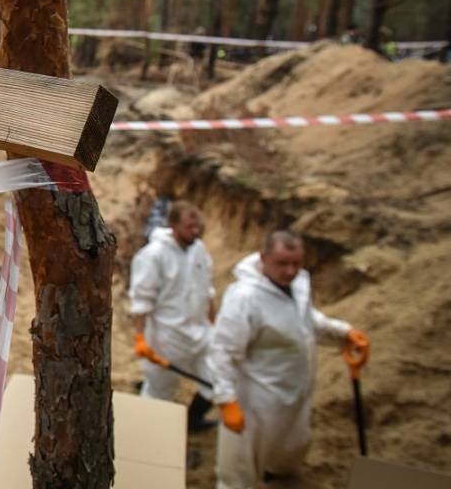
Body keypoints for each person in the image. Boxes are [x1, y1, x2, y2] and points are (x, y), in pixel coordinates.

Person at [208, 231, 369, 488]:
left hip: (293, 389)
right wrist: (227, 400)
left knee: (290, 445)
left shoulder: (298, 283)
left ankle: (278, 474)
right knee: (240, 464)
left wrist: (343, 333)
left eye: (297, 263)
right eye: (282, 263)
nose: (291, 270)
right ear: (264, 258)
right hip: (257, 397)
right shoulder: (245, 297)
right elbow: (223, 351)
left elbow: (306, 321)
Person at [129, 200, 217, 431]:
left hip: (199, 335)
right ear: (173, 225)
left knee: (215, 380)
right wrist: (140, 336)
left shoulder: (199, 250)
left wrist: (213, 323)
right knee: (159, 394)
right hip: (166, 339)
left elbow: (207, 291)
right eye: (190, 227)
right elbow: (142, 299)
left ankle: (193, 421)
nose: (195, 231)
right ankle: (152, 438)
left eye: (197, 226)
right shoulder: (153, 255)